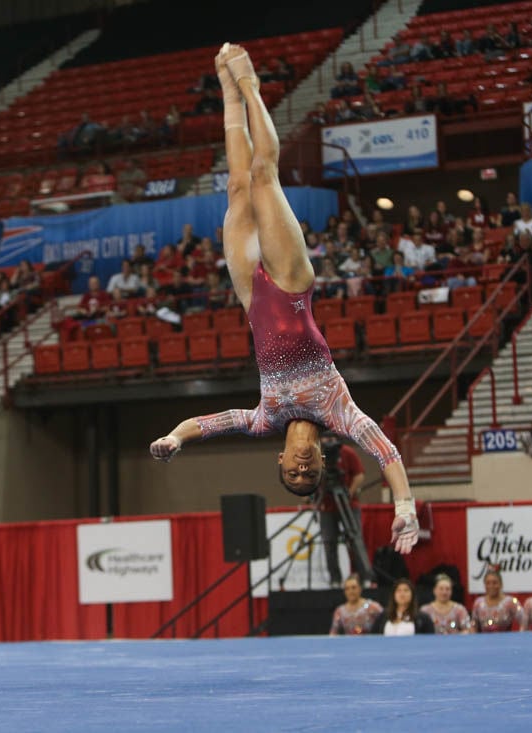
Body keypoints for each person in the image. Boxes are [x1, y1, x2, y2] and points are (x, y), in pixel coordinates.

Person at [149, 44, 419, 554]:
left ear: (278, 461)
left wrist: (174, 439)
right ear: (321, 460)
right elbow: (384, 451)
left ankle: (228, 94)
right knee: (262, 176)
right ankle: (250, 84)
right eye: (307, 472)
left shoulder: (263, 419)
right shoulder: (339, 413)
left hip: (252, 297)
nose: (300, 468)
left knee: (234, 188)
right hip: (291, 285)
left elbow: (207, 424)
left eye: (292, 475)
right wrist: (405, 508)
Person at [313, 438, 364, 588]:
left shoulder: (347, 452)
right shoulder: (314, 454)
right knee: (329, 542)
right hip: (326, 506)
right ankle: (335, 579)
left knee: (355, 539)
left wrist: (350, 492)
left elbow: (359, 475)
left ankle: (364, 576)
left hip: (348, 504)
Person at [471, 568, 523, 632]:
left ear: (501, 584)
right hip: (484, 640)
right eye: (488, 583)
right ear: (484, 585)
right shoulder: (478, 603)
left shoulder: (510, 602)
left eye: (495, 583)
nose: (491, 586)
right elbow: (473, 626)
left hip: (505, 640)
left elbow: (524, 622)